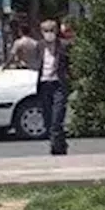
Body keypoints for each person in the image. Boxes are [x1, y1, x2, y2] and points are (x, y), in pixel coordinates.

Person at [36, 18, 71, 156]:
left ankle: (56, 148)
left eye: (51, 30)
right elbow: (36, 63)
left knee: (57, 117)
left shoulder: (64, 45)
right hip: (44, 84)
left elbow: (71, 62)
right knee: (48, 119)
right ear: (42, 32)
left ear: (56, 31)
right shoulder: (39, 46)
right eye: (46, 31)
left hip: (58, 84)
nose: (49, 33)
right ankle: (60, 144)